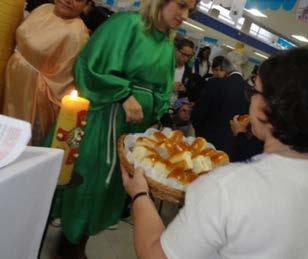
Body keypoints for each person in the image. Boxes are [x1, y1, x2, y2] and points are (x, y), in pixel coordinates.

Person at [122, 46, 308, 258]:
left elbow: (155, 254)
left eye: (256, 91)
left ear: (269, 106)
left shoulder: (227, 186)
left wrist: (140, 195)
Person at [52, 0, 198, 257]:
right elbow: (90, 65)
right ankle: (68, 247)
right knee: (88, 184)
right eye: (181, 5)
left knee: (106, 191)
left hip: (129, 134)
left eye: (190, 10)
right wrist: (123, 95)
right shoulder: (127, 24)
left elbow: (162, 89)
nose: (184, 15)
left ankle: (76, 245)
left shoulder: (166, 43)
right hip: (103, 123)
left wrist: (160, 115)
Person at [3, 0, 90, 145]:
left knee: (14, 140)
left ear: (86, 6)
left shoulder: (77, 33)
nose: (69, 1)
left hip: (31, 94)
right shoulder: (44, 9)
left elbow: (63, 83)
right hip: (13, 79)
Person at [192, 56, 249, 160]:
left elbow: (199, 113)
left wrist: (199, 132)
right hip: (231, 148)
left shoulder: (214, 83)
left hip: (207, 141)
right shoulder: (249, 91)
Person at [171, 37, 194, 105]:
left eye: (189, 56)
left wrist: (184, 89)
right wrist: (169, 87)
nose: (186, 58)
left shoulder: (188, 71)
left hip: (173, 107)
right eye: (183, 54)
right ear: (176, 50)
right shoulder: (165, 65)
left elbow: (188, 91)